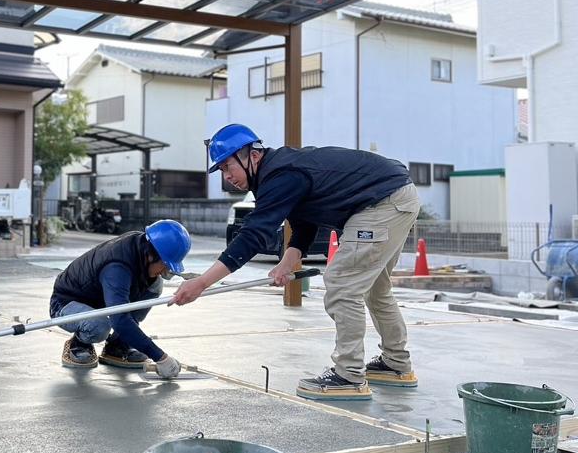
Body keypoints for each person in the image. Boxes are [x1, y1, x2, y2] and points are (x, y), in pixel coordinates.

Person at [171, 124, 420, 400]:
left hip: (382, 203)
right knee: (376, 288)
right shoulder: (280, 170)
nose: (228, 177)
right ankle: (396, 365)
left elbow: (253, 235)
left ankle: (349, 376)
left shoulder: (280, 174)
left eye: (229, 166)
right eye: (222, 171)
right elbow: (304, 220)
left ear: (252, 155)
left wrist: (203, 283)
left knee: (341, 284)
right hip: (396, 196)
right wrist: (288, 262)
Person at [50, 219, 190, 379]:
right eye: (165, 264)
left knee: (155, 285)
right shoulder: (117, 268)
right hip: (66, 303)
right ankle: (79, 343)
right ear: (151, 255)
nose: (166, 271)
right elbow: (120, 319)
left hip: (99, 299)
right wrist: (161, 357)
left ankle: (116, 346)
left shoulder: (142, 246)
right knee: (99, 325)